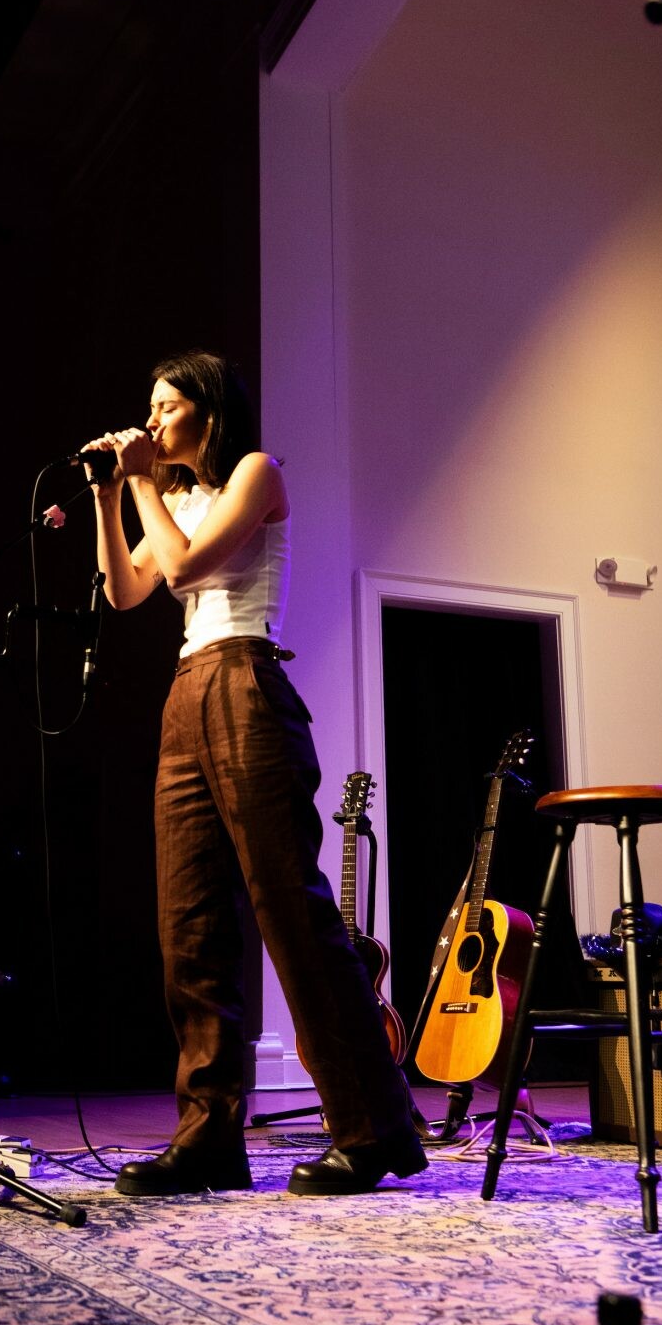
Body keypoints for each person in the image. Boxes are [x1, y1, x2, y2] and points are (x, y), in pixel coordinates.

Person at [82, 350, 426, 1196]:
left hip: (246, 680)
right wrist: (107, 494)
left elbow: (182, 568)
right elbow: (125, 591)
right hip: (186, 691)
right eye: (149, 409)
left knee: (290, 910)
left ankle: (374, 1128)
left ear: (209, 410)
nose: (152, 422)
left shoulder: (256, 473)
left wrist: (140, 482)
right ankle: (208, 1136)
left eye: (167, 407)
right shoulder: (175, 500)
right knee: (189, 923)